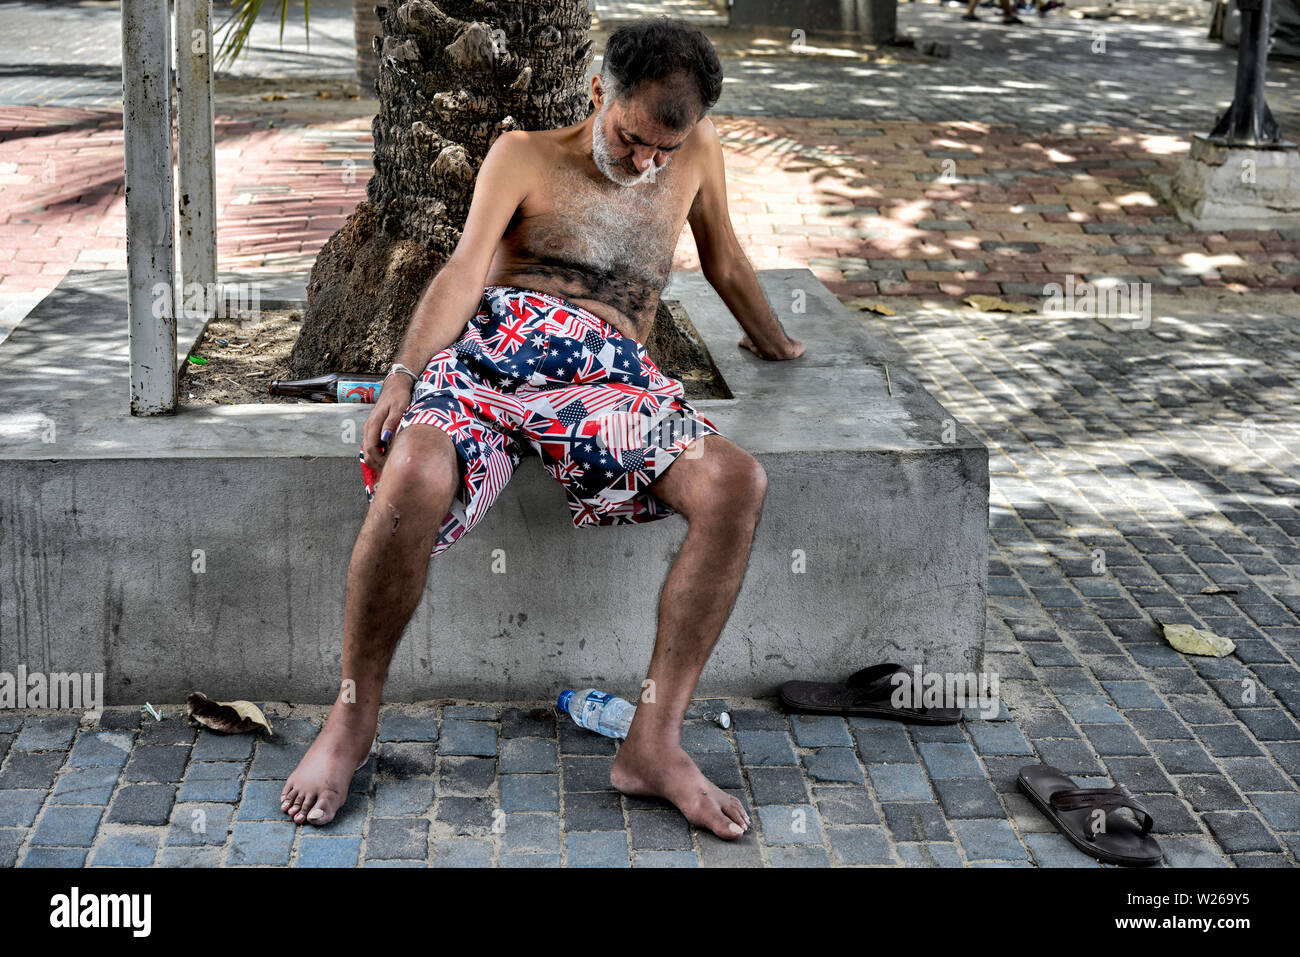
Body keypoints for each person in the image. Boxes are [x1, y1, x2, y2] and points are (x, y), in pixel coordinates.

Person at [280, 17, 805, 841]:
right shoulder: (521, 154)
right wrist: (403, 375)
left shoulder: (693, 151)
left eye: (664, 150)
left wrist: (778, 343)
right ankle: (350, 722)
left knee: (737, 480)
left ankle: (652, 743)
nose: (646, 163)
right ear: (600, 91)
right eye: (633, 140)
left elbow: (726, 261)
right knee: (413, 472)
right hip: (495, 358)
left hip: (608, 381)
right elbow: (461, 271)